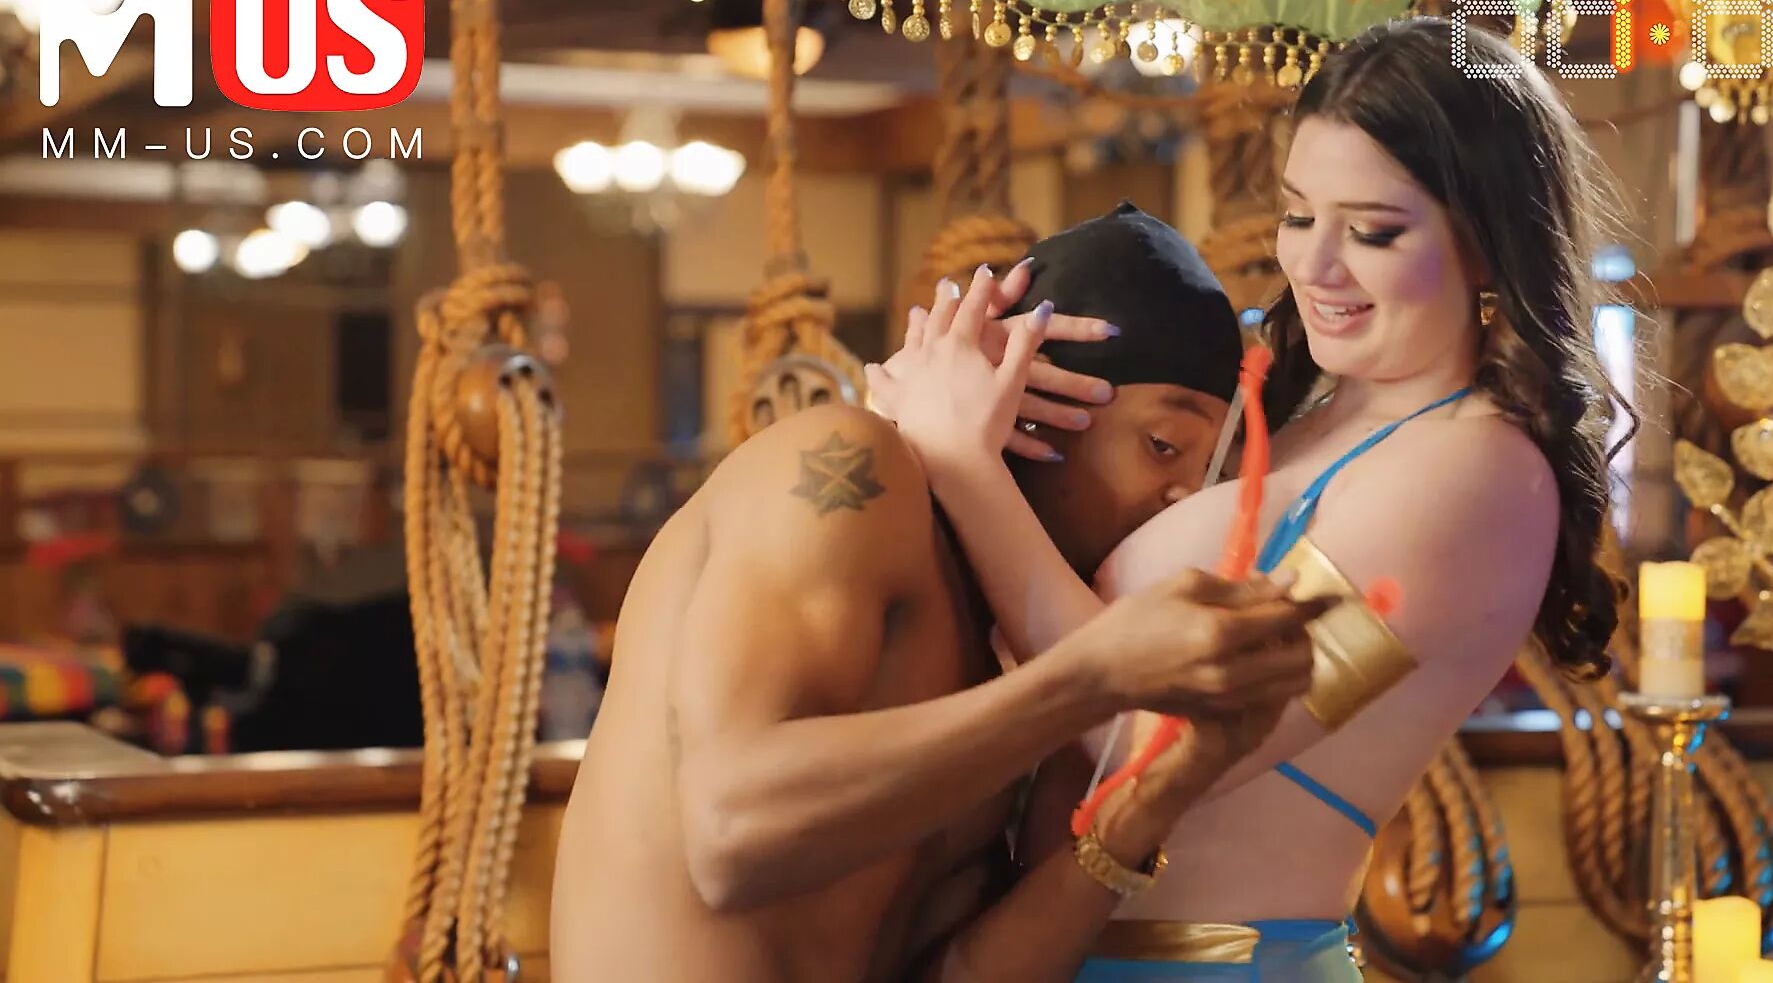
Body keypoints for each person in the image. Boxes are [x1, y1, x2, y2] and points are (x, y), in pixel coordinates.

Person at [864, 16, 1634, 981]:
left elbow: (1163, 743)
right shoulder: (1300, 415)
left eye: (1373, 231)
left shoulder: (1476, 475)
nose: (1314, 265)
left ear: (1486, 243)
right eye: (1300, 216)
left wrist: (965, 468)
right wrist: (967, 404)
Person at [551, 203, 1335, 983]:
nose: (1185, 499)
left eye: (1209, 475)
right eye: (1165, 445)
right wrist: (1090, 676)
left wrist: (1149, 804)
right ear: (1030, 402)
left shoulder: (1001, 646)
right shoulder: (850, 471)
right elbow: (730, 834)